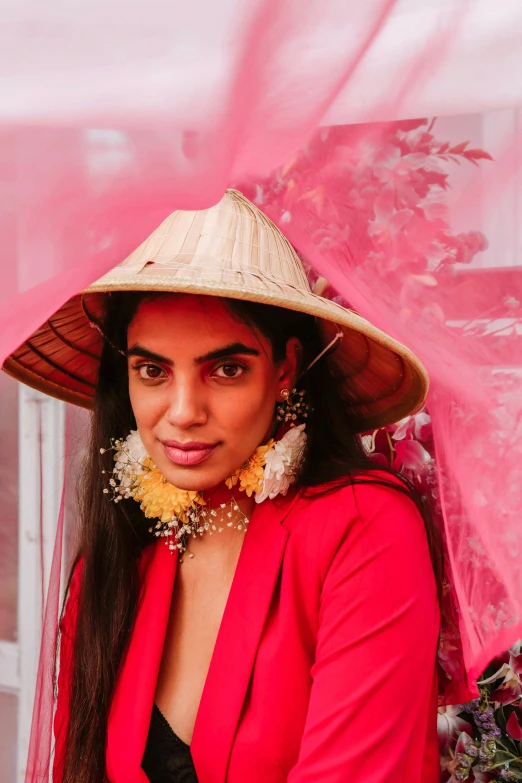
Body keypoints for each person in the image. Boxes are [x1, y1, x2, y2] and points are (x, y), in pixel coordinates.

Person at [4, 189, 441, 783]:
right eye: (152, 370)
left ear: (285, 369)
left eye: (226, 369)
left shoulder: (361, 529)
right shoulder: (118, 557)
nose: (182, 412)